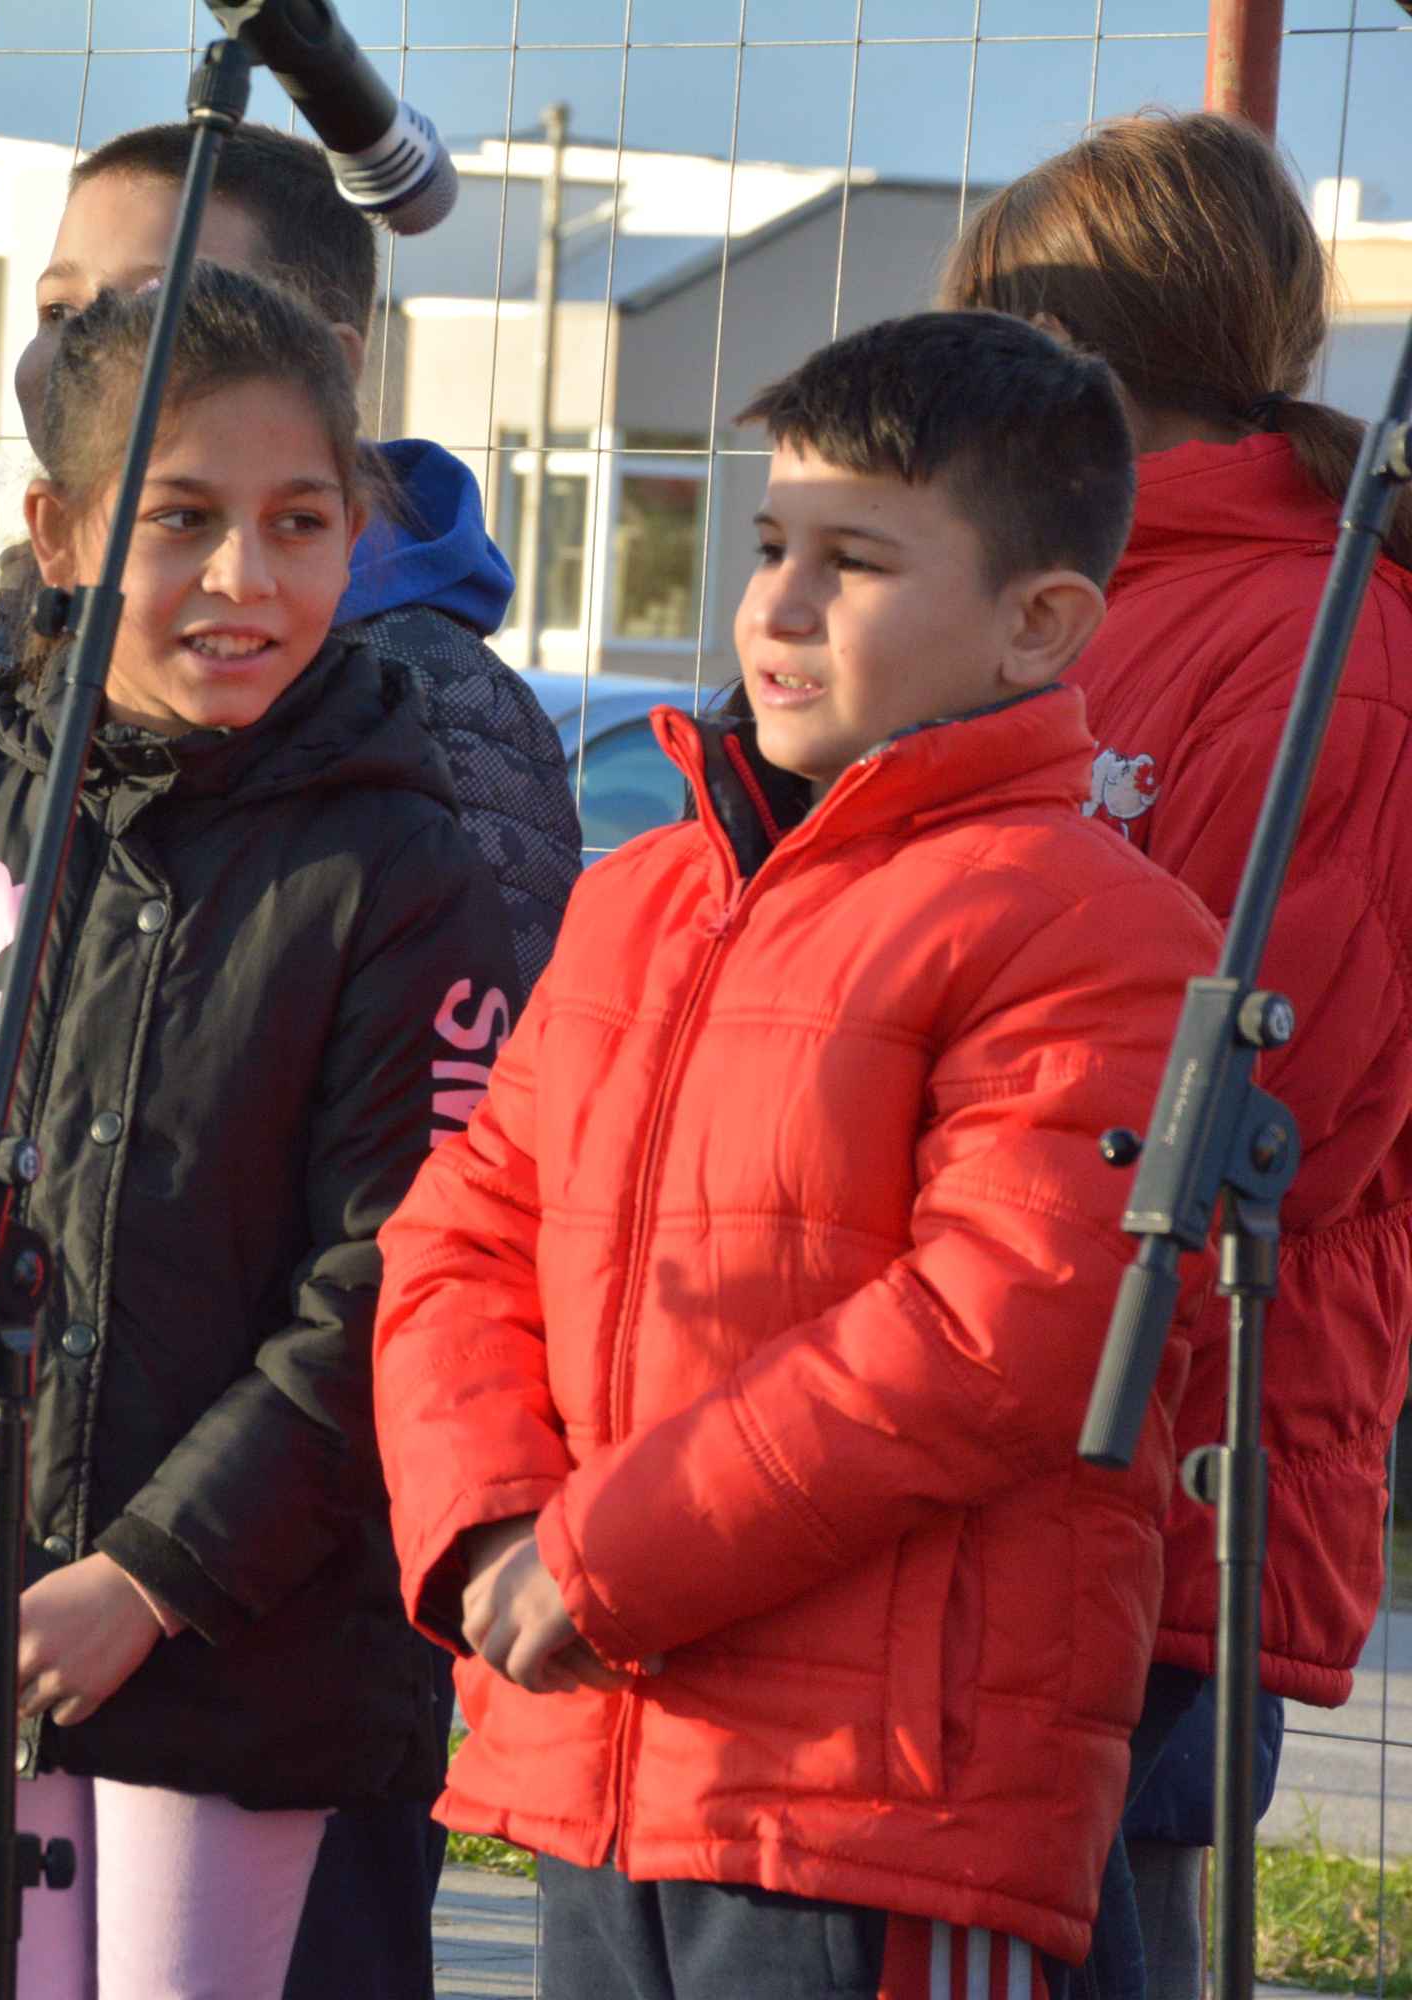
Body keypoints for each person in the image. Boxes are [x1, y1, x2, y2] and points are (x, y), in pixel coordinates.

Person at [371, 310, 1222, 1998]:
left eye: (853, 561)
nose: (775, 604)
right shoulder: (642, 898)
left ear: (1035, 623)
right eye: (768, 545)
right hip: (609, 1761)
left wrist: (599, 1559)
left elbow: (990, 1335)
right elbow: (460, 1229)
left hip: (882, 1810)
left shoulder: (1093, 930)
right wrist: (484, 1523)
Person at [0, 264, 520, 2000]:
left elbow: (391, 1286)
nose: (244, 579)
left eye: (298, 522)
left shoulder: (401, 872)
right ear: (63, 533)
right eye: (182, 521)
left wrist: (148, 1578)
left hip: (242, 1646)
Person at [942, 110, 1412, 2000]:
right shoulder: (1062, 606)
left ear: (1060, 355)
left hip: (1157, 1450)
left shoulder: (1327, 650)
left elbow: (1290, 1092)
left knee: (1095, 1923)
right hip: (976, 1400)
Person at [0, 120, 578, 995]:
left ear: (327, 363)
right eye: (59, 311)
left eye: (158, 310)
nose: (82, 351)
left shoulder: (439, 711)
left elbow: (484, 1082)